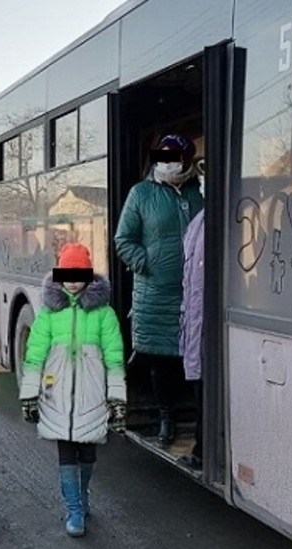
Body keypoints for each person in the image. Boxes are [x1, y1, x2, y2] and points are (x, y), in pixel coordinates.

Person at [18, 244, 126, 537]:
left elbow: (114, 358)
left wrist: (117, 399)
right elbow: (34, 356)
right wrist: (29, 395)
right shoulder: (49, 314)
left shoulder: (104, 314)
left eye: (79, 274)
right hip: (57, 396)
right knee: (66, 454)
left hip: (93, 396)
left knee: (88, 453)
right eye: (67, 274)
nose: (73, 281)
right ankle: (74, 508)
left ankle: (83, 494)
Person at [114, 134, 204, 446]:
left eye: (175, 156)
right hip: (155, 293)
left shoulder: (199, 191)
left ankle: (199, 420)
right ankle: (166, 416)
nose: (168, 162)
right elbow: (123, 240)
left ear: (187, 159)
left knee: (192, 354)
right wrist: (146, 262)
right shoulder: (141, 193)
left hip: (195, 291)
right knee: (162, 360)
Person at [180, 202, 206, 471]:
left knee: (205, 388)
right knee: (201, 390)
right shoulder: (199, 220)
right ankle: (201, 449)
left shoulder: (207, 218)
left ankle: (202, 449)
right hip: (196, 321)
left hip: (205, 322)